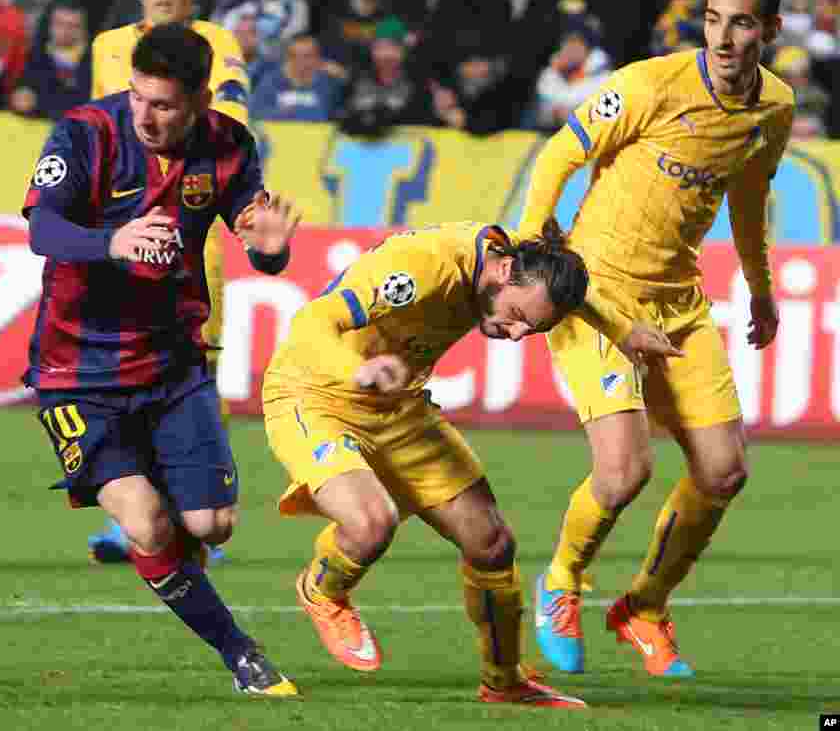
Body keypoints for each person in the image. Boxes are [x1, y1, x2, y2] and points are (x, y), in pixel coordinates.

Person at [262, 219, 678, 709]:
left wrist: (623, 329)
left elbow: (560, 288)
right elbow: (312, 321)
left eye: (533, 327)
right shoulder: (423, 268)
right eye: (518, 314)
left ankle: (504, 683)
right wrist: (359, 369)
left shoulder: (519, 263)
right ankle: (322, 590)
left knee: (492, 543)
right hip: (314, 393)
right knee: (372, 523)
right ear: (502, 272)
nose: (518, 333)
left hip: (398, 405)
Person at [525, 0, 794, 678]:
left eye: (741, 23)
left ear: (769, 29)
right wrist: (532, 234)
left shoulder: (775, 108)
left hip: (678, 299)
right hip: (598, 294)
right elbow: (560, 152)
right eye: (713, 20)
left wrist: (760, 288)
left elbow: (746, 199)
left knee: (724, 469)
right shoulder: (649, 83)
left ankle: (642, 604)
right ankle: (560, 582)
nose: (724, 38)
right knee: (623, 472)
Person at [22, 23, 300, 696]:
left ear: (201, 100)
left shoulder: (228, 146)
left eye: (165, 104)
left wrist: (269, 250)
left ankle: (164, 532)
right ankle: (241, 653)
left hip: (172, 364)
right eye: (139, 97)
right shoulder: (86, 132)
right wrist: (112, 241)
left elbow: (254, 231)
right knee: (146, 521)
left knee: (212, 523)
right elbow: (41, 228)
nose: (146, 115)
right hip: (76, 372)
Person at [87, 0, 251, 563]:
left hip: (189, 235)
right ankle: (134, 513)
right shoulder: (107, 47)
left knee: (193, 375)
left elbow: (228, 123)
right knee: (118, 370)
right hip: (119, 236)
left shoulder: (217, 43)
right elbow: (91, 131)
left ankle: (198, 507)